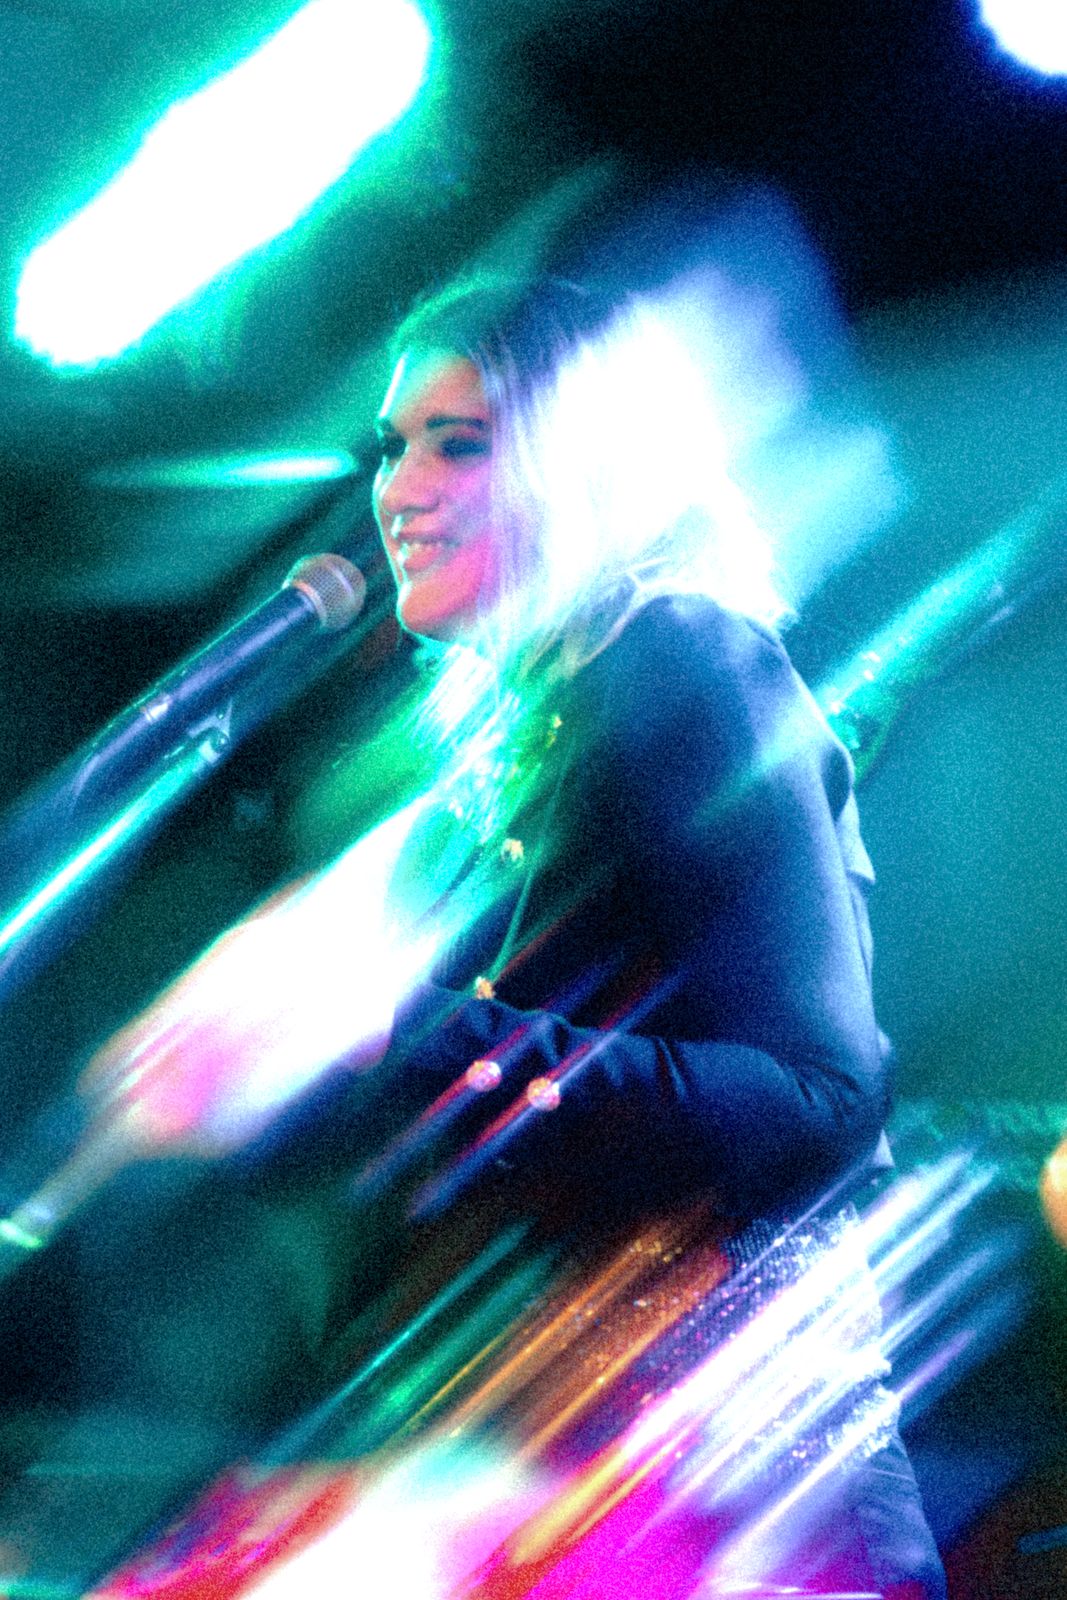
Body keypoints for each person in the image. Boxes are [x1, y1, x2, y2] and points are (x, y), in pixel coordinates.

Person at [22, 276, 946, 1596]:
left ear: (581, 459)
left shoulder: (685, 663)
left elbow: (821, 1099)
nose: (399, 490)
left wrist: (386, 1027)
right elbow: (465, 1119)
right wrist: (241, 1082)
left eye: (459, 444)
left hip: (745, 1487)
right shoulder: (487, 762)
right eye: (393, 447)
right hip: (558, 1466)